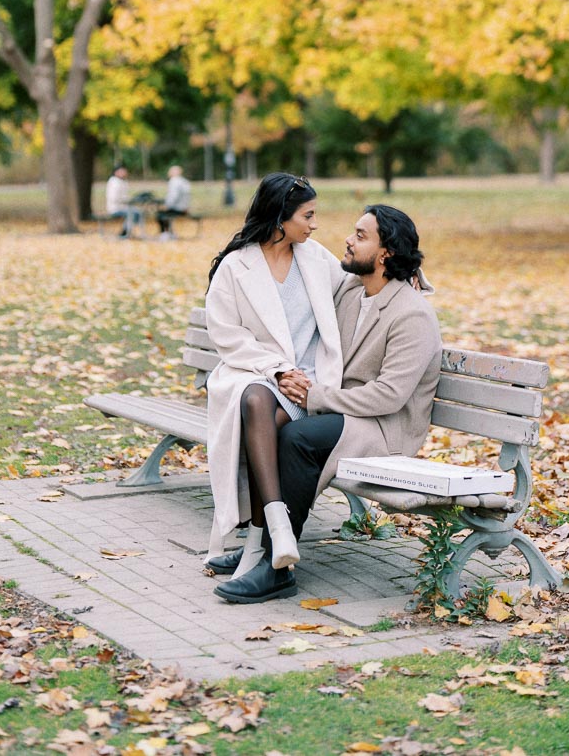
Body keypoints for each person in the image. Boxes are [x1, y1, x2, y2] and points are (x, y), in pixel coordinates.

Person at [213, 204, 442, 605]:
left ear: (384, 252)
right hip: (348, 415)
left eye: (360, 235)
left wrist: (318, 398)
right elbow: (308, 277)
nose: (348, 240)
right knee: (263, 420)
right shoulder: (354, 290)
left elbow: (389, 396)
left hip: (384, 429)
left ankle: (277, 568)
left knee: (298, 436)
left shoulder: (413, 314)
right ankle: (261, 544)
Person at [204, 173, 345, 597]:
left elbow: (359, 284)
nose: (314, 224)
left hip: (308, 385)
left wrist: (408, 274)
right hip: (254, 373)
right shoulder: (237, 265)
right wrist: (276, 368)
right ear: (281, 219)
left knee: (266, 423)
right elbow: (227, 335)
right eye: (308, 215)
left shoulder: (317, 259)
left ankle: (260, 545)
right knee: (255, 400)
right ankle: (277, 529)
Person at [156, 164, 191, 237]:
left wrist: (167, 206)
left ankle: (165, 234)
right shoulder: (184, 181)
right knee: (164, 213)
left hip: (177, 208)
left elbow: (173, 197)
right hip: (184, 208)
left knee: (160, 214)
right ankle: (170, 233)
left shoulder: (174, 181)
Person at [105, 166, 130, 234]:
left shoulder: (123, 182)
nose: (124, 173)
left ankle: (126, 231)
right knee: (133, 213)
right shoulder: (114, 182)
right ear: (116, 172)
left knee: (136, 213)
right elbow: (114, 198)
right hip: (115, 208)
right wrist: (125, 201)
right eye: (122, 171)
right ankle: (125, 232)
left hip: (122, 207)